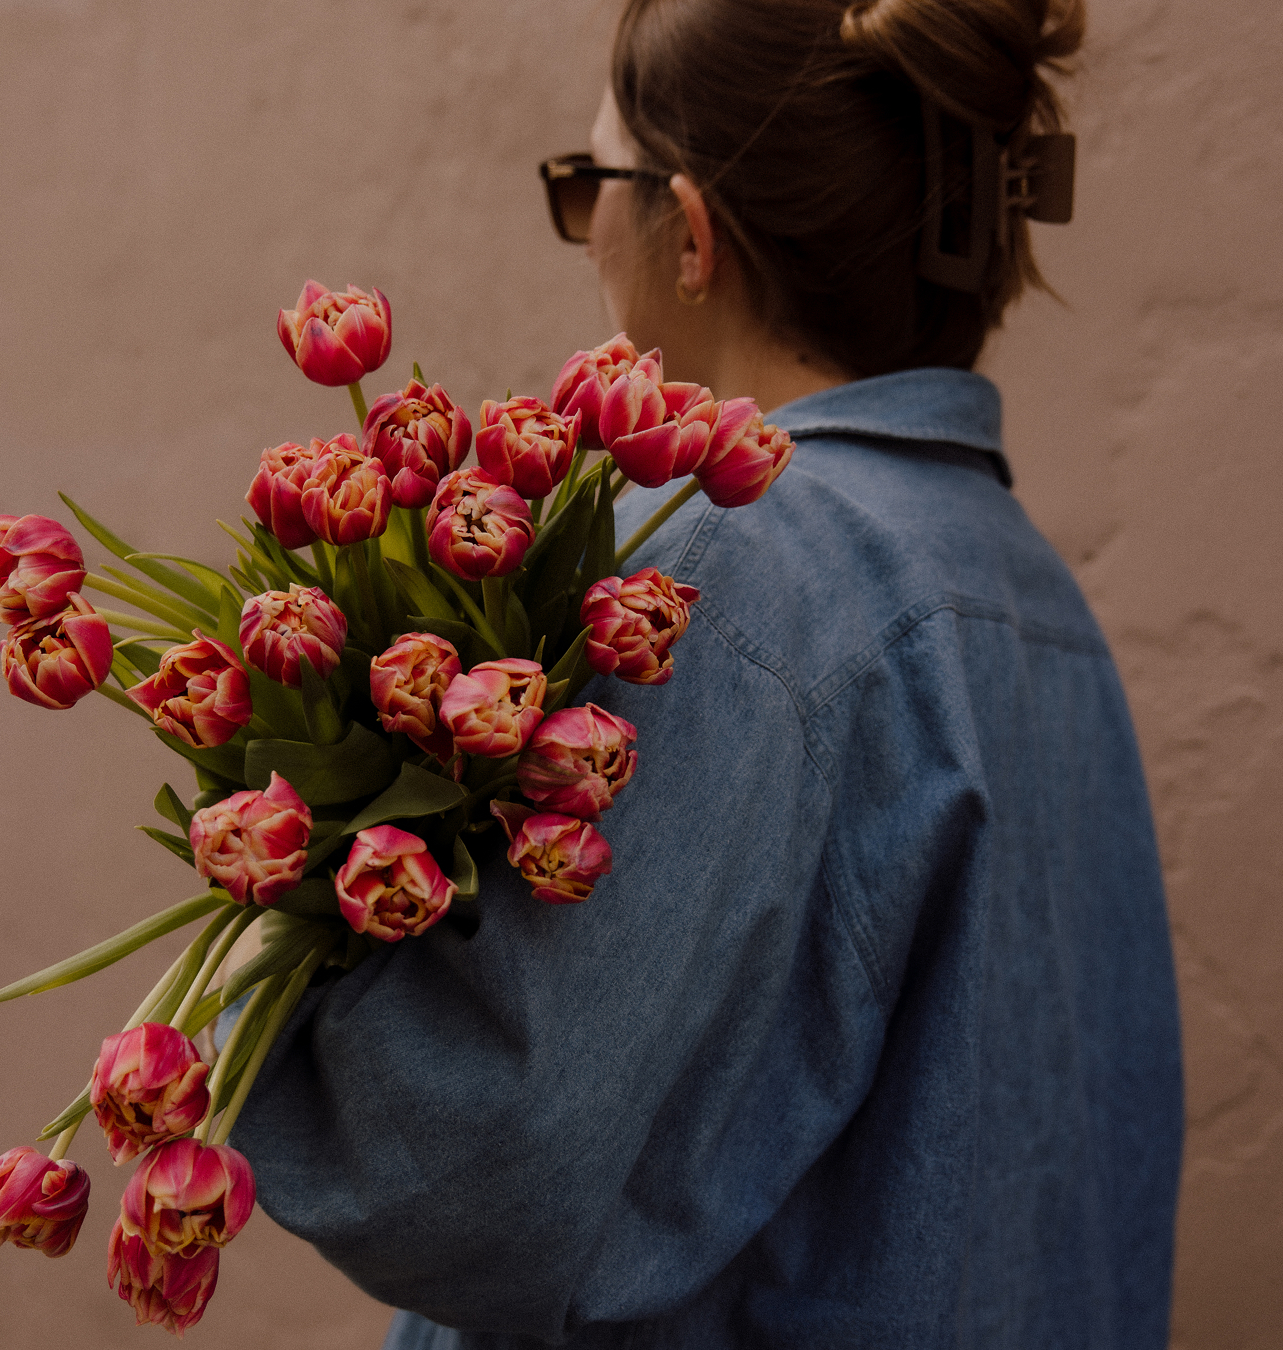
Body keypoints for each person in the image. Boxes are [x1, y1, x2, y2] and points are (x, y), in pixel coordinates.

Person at [230, 1, 1183, 1346]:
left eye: (590, 185)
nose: (588, 235)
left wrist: (279, 901)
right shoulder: (1036, 604)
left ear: (691, 229)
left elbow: (460, 1170)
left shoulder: (728, 580)